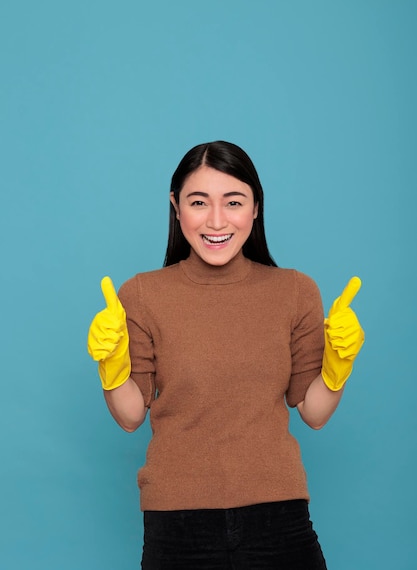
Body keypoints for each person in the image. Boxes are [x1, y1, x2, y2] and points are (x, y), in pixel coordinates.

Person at [87, 140, 365, 569]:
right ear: (177, 207)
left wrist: (337, 367)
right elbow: (129, 416)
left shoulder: (295, 291)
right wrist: (111, 364)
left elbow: (314, 412)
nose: (216, 220)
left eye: (233, 201)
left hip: (280, 516)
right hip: (177, 524)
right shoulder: (141, 294)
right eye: (199, 202)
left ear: (255, 208)